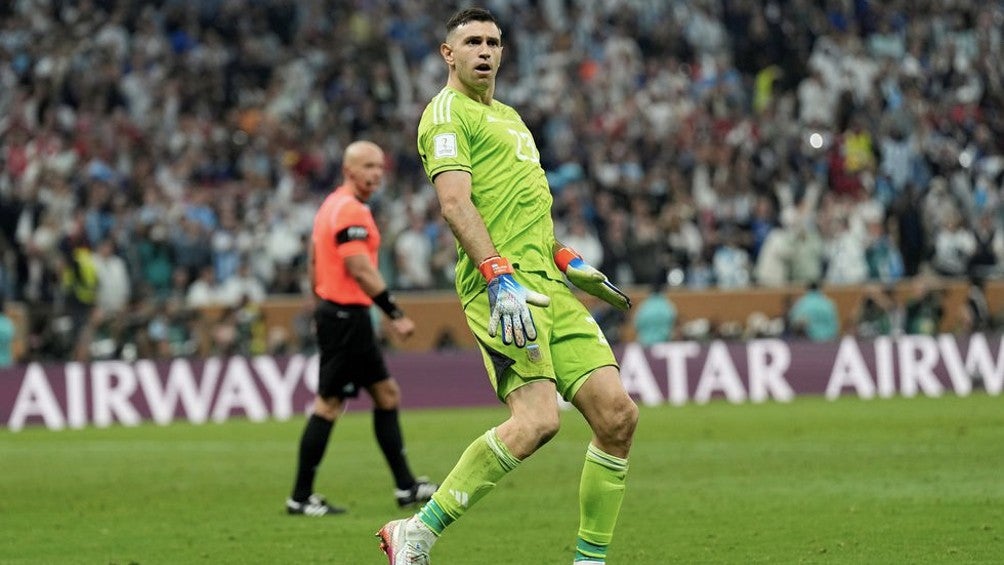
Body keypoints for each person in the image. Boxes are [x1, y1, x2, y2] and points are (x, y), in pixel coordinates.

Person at [378, 8, 638, 565]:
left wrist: (568, 259)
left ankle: (589, 562)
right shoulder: (445, 114)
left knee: (618, 416)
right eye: (471, 41)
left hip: (550, 285)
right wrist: (498, 275)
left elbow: (525, 213)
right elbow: (454, 203)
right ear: (449, 53)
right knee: (538, 421)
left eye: (493, 41)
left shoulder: (513, 118)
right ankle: (417, 532)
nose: (485, 50)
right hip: (503, 291)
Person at [286, 140, 437, 516]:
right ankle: (300, 497)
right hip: (345, 317)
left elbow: (314, 259)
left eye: (380, 168)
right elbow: (359, 267)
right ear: (348, 169)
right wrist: (394, 312)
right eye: (368, 166)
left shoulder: (330, 207)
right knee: (329, 404)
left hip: (340, 314)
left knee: (387, 394)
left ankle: (405, 486)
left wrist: (318, 296)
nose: (375, 174)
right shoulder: (351, 211)